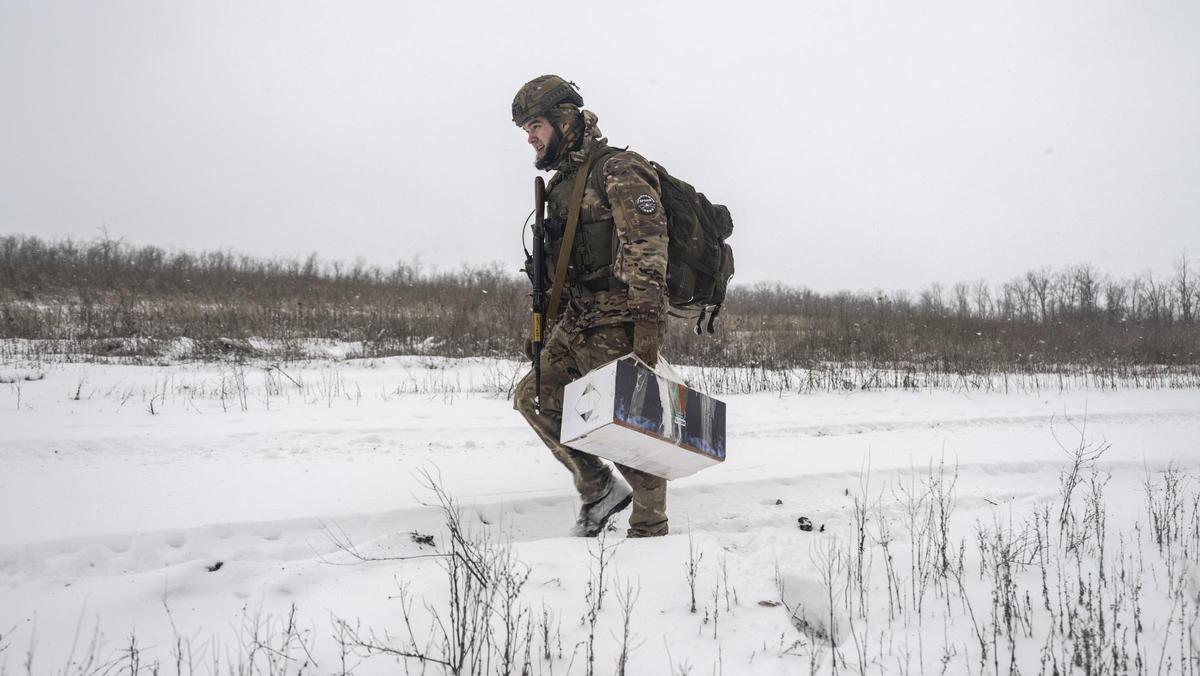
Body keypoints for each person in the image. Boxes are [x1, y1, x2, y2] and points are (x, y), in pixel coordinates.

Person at [511, 75, 670, 538]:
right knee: (534, 396)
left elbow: (647, 245)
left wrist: (645, 325)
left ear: (564, 121)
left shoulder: (617, 169)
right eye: (525, 129)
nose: (530, 137)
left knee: (625, 425)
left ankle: (650, 524)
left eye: (536, 125)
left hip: (618, 317)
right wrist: (542, 322)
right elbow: (563, 266)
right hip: (576, 318)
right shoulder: (561, 184)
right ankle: (598, 487)